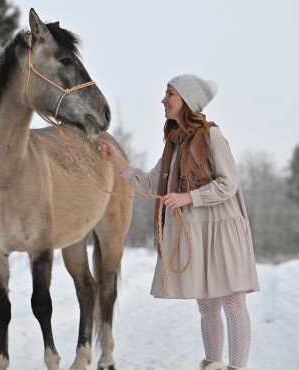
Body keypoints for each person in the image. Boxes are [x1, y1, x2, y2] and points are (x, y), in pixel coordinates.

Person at [98, 74, 260, 370]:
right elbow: (149, 183)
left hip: (223, 228)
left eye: (169, 93)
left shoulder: (212, 137)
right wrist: (116, 162)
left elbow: (229, 183)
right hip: (196, 234)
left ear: (186, 100)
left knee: (232, 302)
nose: (163, 100)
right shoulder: (173, 144)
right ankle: (213, 364)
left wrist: (188, 198)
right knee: (207, 305)